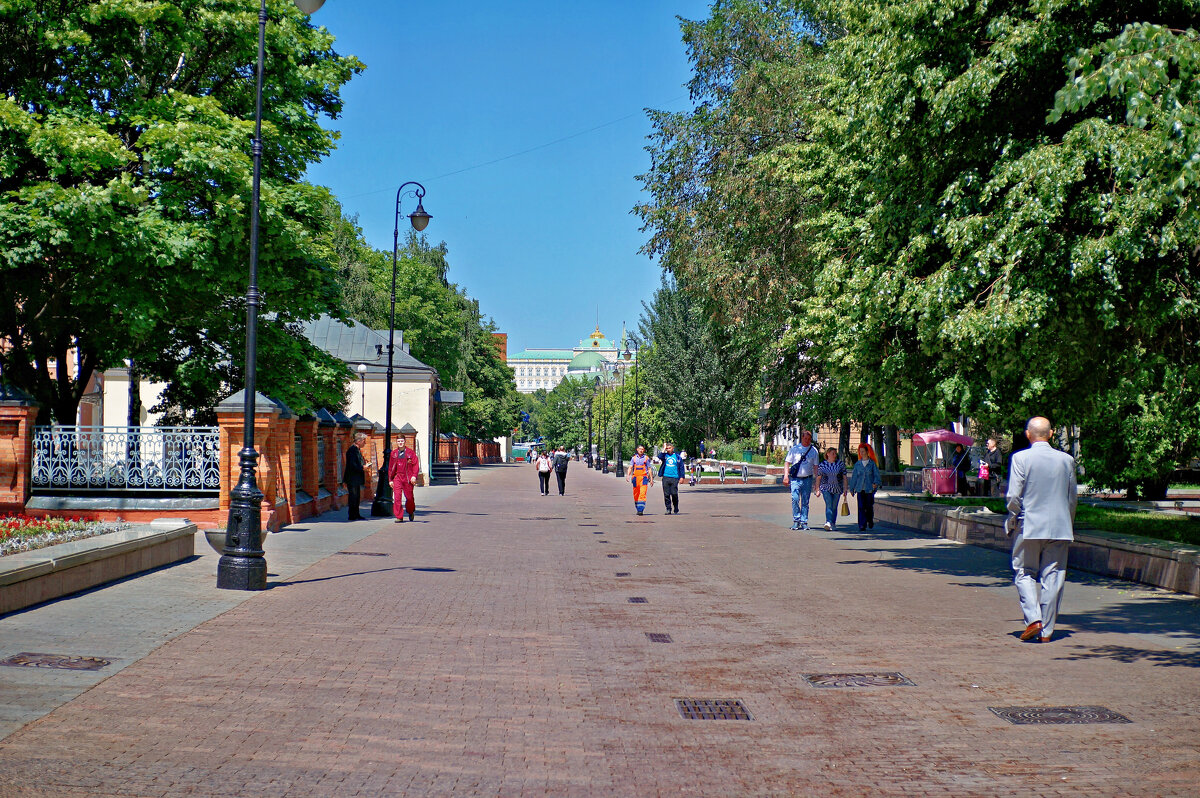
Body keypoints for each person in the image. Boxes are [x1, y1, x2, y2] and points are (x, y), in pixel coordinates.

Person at [1006, 417, 1077, 644]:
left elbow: (1013, 496)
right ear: (1052, 433)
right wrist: (1068, 521)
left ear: (1028, 434)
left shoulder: (1020, 458)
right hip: (1059, 526)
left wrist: (1012, 517)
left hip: (1029, 524)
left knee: (1024, 571)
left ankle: (1033, 619)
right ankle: (1046, 631)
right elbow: (1072, 497)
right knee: (1053, 576)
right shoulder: (1066, 460)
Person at [783, 430, 820, 530]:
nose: (807, 441)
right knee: (795, 499)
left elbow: (816, 467)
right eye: (805, 438)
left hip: (807, 479)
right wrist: (786, 476)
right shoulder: (795, 449)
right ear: (802, 438)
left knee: (805, 501)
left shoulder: (814, 451)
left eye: (809, 439)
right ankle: (796, 520)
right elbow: (787, 462)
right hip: (795, 479)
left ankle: (804, 521)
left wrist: (817, 482)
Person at [848, 442, 882, 531]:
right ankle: (862, 525)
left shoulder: (872, 464)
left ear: (867, 452)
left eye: (863, 451)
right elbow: (854, 477)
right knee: (861, 507)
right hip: (860, 489)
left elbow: (876, 475)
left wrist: (876, 483)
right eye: (860, 451)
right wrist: (851, 488)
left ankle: (869, 520)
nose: (861, 453)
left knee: (869, 507)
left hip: (869, 489)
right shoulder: (858, 464)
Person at [387, 436, 420, 523]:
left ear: (405, 442)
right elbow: (390, 467)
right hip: (397, 477)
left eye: (402, 441)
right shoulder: (393, 454)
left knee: (409, 498)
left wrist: (414, 476)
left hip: (407, 478)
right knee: (397, 497)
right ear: (396, 442)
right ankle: (399, 516)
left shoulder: (410, 453)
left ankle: (410, 511)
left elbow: (415, 465)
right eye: (398, 441)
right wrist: (390, 479)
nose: (400, 443)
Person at [815, 447, 847, 531]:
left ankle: (833, 523)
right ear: (827, 454)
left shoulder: (840, 464)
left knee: (834, 506)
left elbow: (844, 477)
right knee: (829, 504)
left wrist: (845, 489)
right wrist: (817, 489)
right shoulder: (823, 465)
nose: (834, 455)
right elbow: (818, 477)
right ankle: (828, 522)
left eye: (835, 454)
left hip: (837, 488)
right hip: (826, 488)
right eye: (833, 453)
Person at [342, 432, 366, 521]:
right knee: (353, 496)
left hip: (356, 477)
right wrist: (362, 467)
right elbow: (352, 465)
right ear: (359, 441)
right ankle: (352, 515)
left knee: (357, 496)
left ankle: (356, 514)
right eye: (364, 441)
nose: (365, 443)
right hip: (352, 477)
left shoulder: (357, 450)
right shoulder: (352, 450)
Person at [656, 441, 685, 514]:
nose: (668, 449)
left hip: (674, 477)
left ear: (673, 448)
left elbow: (681, 467)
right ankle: (668, 508)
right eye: (667, 448)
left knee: (674, 493)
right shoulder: (665, 456)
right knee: (666, 494)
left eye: (670, 448)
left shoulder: (677, 457)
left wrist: (682, 477)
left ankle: (676, 507)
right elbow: (659, 456)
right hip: (666, 477)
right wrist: (663, 449)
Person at [629, 444, 653, 515]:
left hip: (644, 478)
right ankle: (637, 507)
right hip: (635, 478)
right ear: (637, 449)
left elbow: (649, 469)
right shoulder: (633, 458)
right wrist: (628, 475)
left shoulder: (646, 458)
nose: (641, 450)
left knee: (642, 493)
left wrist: (651, 479)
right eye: (640, 449)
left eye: (642, 449)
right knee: (636, 494)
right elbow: (630, 467)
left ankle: (640, 510)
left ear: (644, 450)